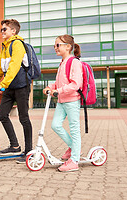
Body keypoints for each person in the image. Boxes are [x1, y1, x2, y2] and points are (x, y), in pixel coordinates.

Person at [0, 19, 32, 164]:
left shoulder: (17, 44)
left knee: (24, 118)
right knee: (2, 114)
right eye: (2, 30)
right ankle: (15, 145)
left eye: (4, 29)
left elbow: (14, 67)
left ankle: (29, 151)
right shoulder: (4, 47)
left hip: (22, 86)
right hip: (9, 87)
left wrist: (3, 84)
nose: (2, 32)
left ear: (13, 31)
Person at [43, 34, 83, 172]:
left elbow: (76, 84)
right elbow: (60, 82)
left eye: (58, 45)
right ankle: (73, 147)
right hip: (61, 101)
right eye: (54, 45)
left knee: (74, 130)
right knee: (55, 125)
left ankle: (75, 160)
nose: (55, 47)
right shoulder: (62, 63)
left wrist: (58, 91)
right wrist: (51, 87)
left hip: (72, 101)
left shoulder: (74, 62)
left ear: (68, 46)